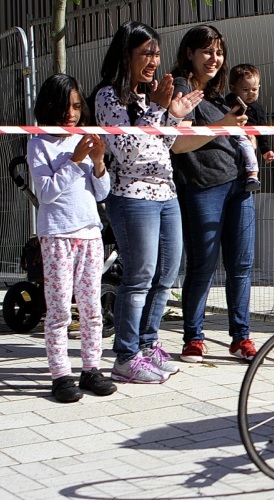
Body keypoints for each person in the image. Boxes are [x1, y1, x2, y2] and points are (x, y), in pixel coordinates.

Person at [93, 21, 203, 383]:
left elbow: (162, 145)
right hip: (132, 197)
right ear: (126, 56)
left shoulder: (148, 95)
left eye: (156, 53)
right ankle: (125, 356)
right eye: (146, 54)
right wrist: (159, 111)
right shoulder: (109, 96)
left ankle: (147, 343)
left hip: (166, 193)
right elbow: (125, 153)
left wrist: (173, 115)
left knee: (166, 275)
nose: (154, 60)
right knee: (139, 278)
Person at [169, 25, 259, 363]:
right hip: (203, 186)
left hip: (239, 186)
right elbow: (179, 143)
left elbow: (230, 132)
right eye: (207, 51)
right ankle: (193, 338)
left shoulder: (217, 95)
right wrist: (224, 124)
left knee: (241, 266)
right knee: (202, 266)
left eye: (219, 52)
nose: (214, 58)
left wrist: (245, 137)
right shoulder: (181, 88)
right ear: (189, 52)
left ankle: (242, 337)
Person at [28, 74, 117, 402]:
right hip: (56, 236)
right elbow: (47, 192)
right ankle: (60, 374)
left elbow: (102, 191)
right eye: (65, 106)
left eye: (77, 106)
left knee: (92, 307)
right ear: (49, 105)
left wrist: (97, 163)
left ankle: (91, 368)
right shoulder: (39, 142)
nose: (72, 113)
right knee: (60, 309)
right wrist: (75, 159)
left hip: (90, 234)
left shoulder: (85, 137)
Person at [226, 64, 274, 192]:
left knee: (247, 146)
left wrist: (266, 150)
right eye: (245, 90)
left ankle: (253, 175)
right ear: (233, 88)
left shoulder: (257, 109)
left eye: (254, 90)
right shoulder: (227, 102)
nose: (250, 93)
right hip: (227, 135)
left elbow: (262, 130)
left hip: (245, 138)